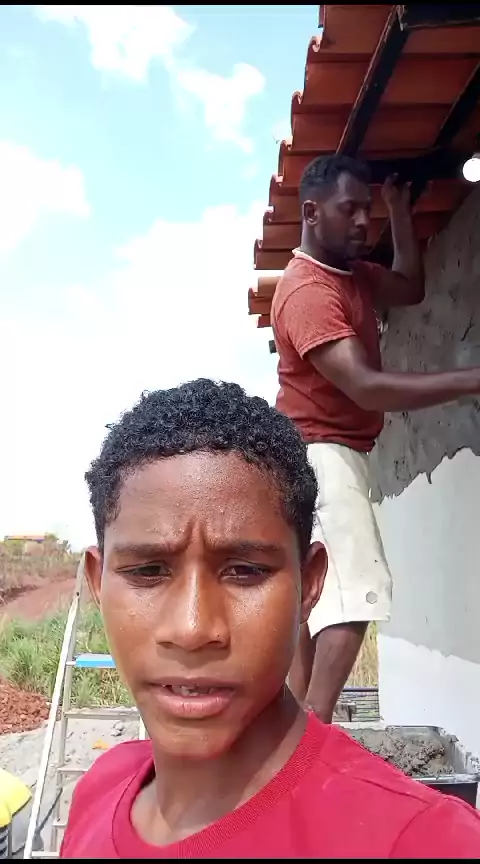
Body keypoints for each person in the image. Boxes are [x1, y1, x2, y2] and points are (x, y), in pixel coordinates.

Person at [60, 379, 480, 858]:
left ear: (311, 584)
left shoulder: (425, 841)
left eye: (245, 571)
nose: (193, 629)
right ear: (97, 583)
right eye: (148, 571)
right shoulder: (99, 791)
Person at [271, 153, 480, 723]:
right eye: (350, 210)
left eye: (368, 210)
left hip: (329, 453)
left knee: (315, 596)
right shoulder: (307, 290)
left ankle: (298, 730)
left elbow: (410, 287)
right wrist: (470, 379)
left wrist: (399, 211)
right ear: (311, 213)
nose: (364, 222)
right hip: (319, 454)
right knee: (359, 588)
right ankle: (315, 729)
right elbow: (365, 386)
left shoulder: (353, 274)